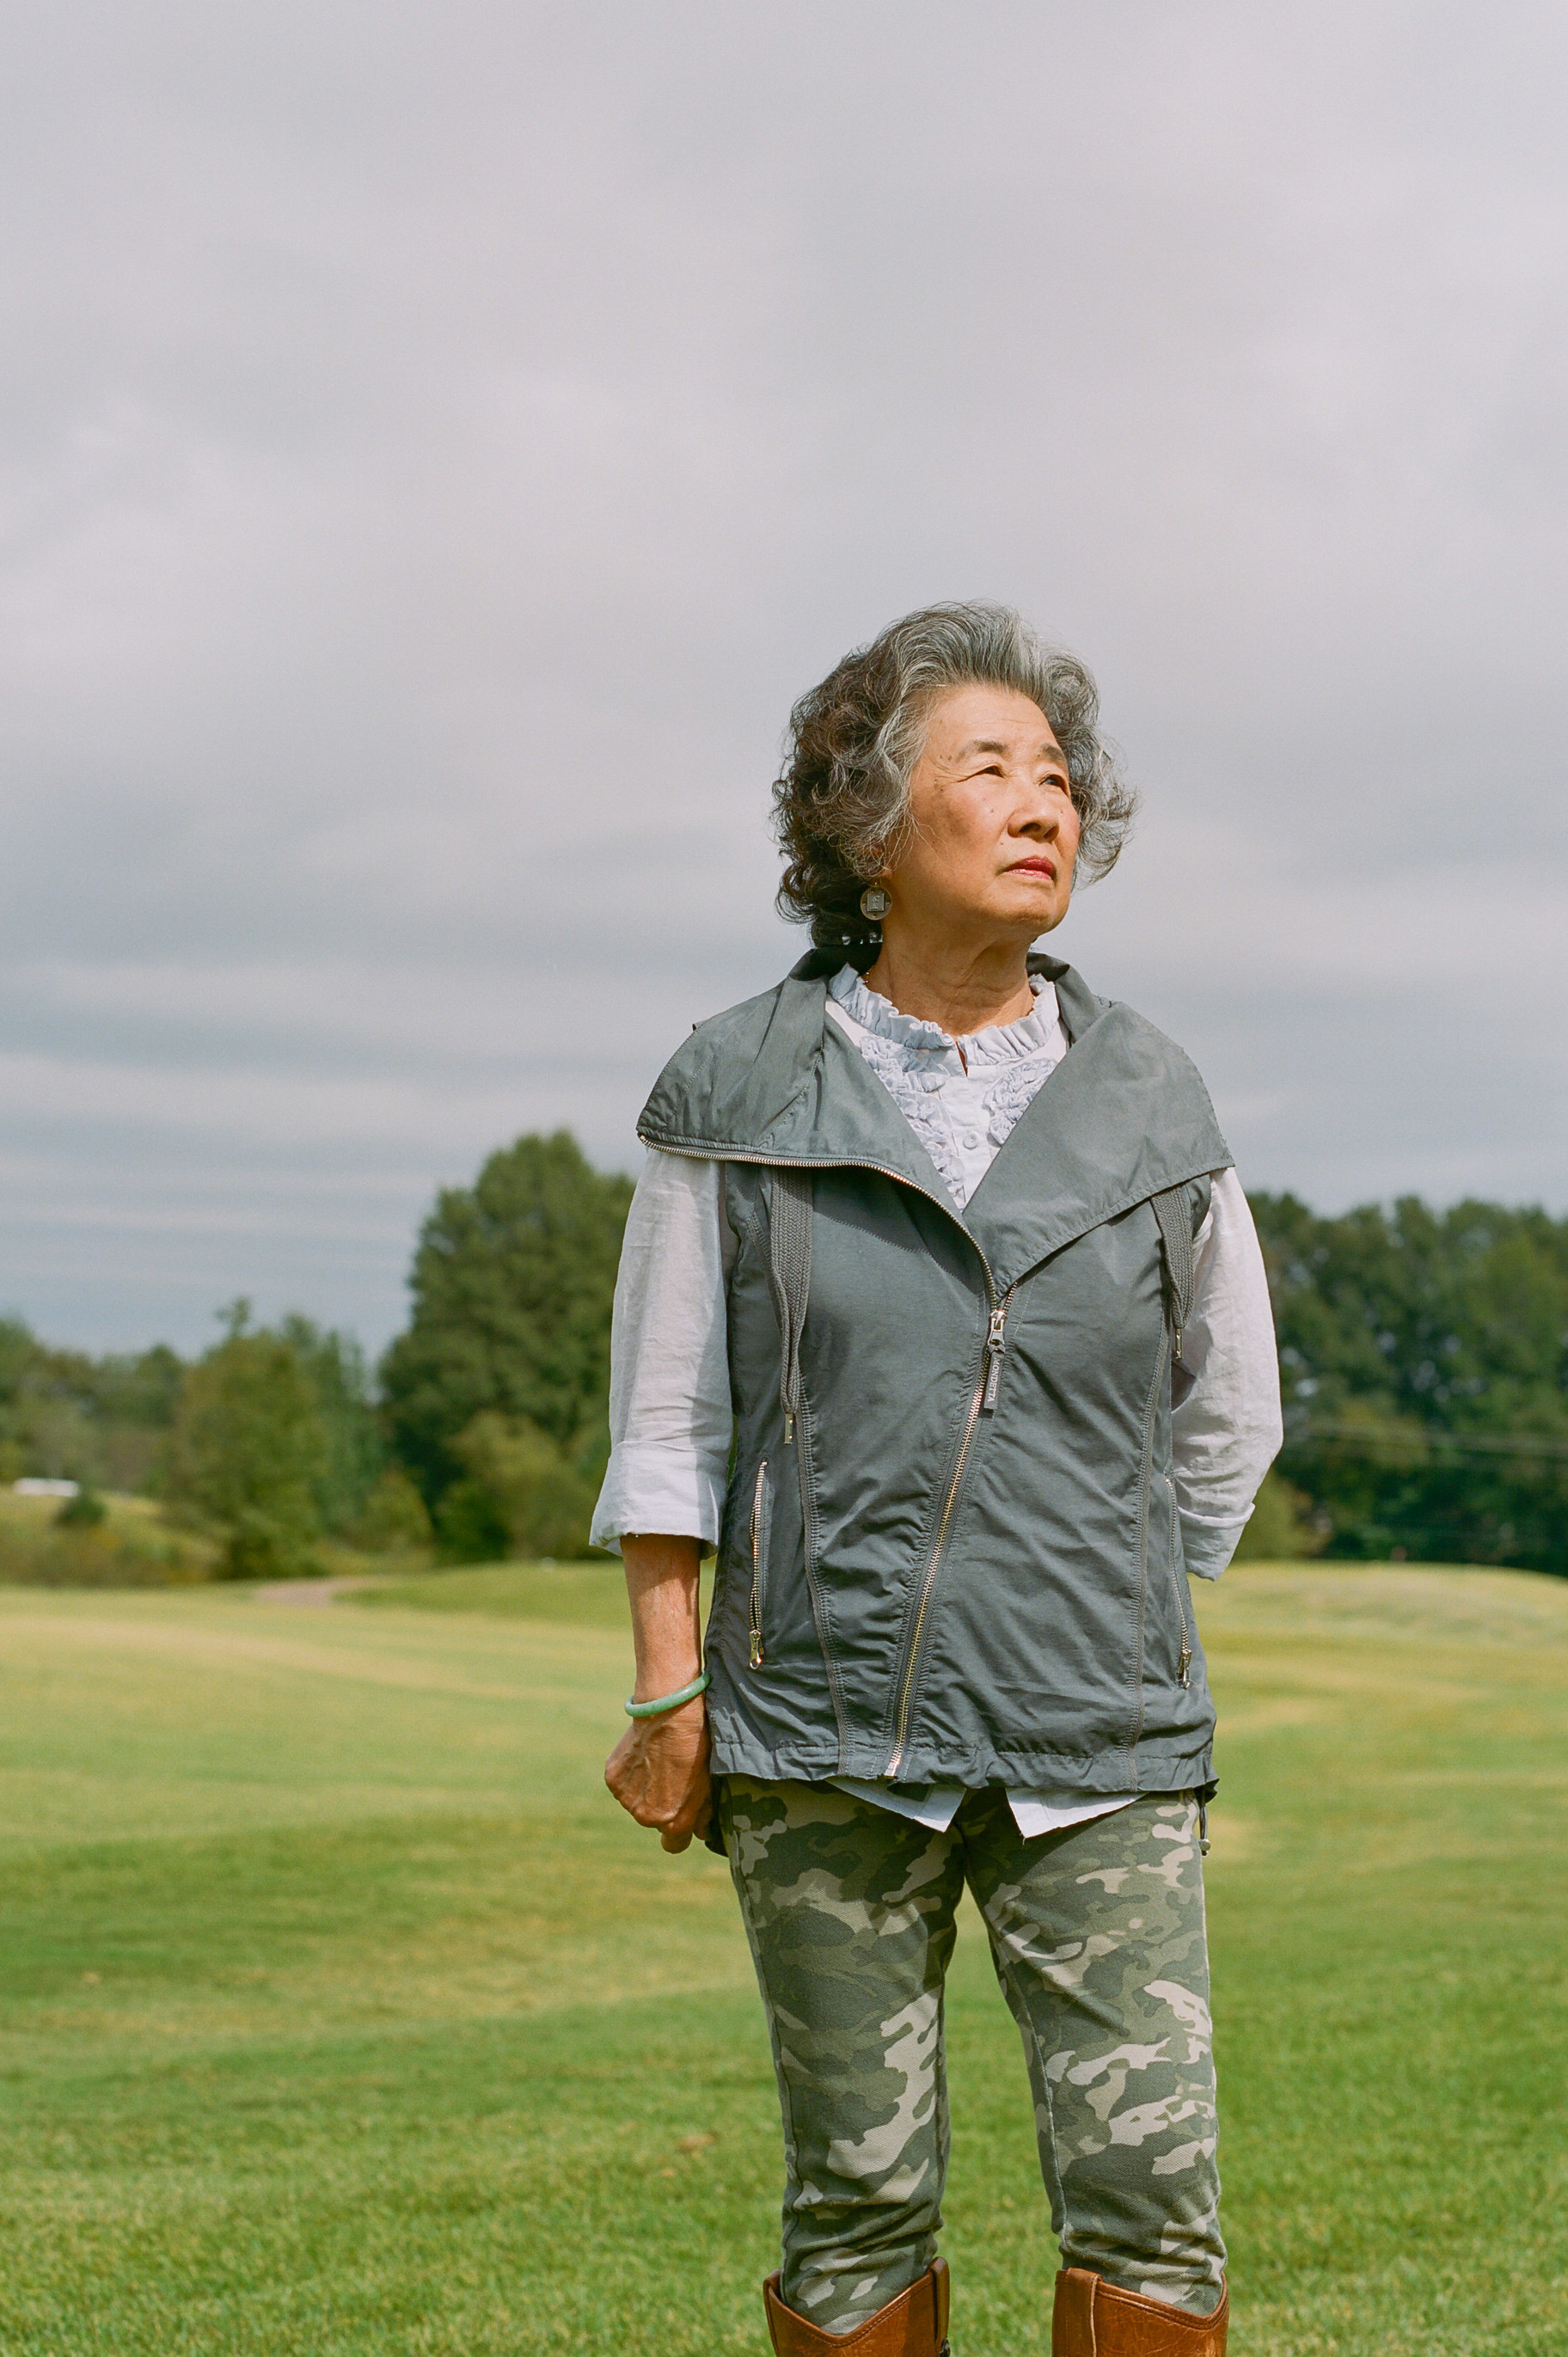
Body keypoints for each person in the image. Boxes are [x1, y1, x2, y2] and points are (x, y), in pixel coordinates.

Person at [597, 604, 1281, 2356]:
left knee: (1153, 2201)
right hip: (816, 1740)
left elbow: (1228, 1423)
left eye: (1059, 779)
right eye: (988, 770)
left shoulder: (1152, 1097)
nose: (1040, 803)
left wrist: (1093, 1589)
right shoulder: (734, 1089)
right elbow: (668, 1414)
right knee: (853, 2199)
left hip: (1100, 1740)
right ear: (865, 827)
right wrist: (671, 1682)